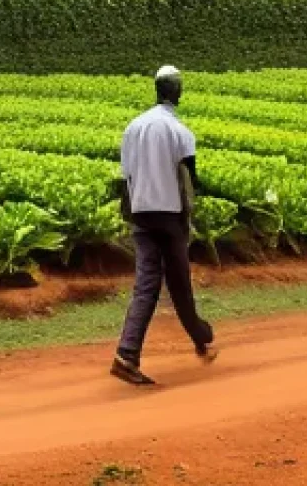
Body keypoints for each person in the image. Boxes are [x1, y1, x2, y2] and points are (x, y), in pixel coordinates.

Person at [111, 65, 217, 386]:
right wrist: (192, 213)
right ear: (174, 91)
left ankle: (128, 353)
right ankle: (200, 336)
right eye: (178, 86)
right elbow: (190, 178)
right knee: (179, 281)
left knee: (147, 284)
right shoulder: (180, 131)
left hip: (141, 212)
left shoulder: (133, 127)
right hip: (169, 214)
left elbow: (125, 175)